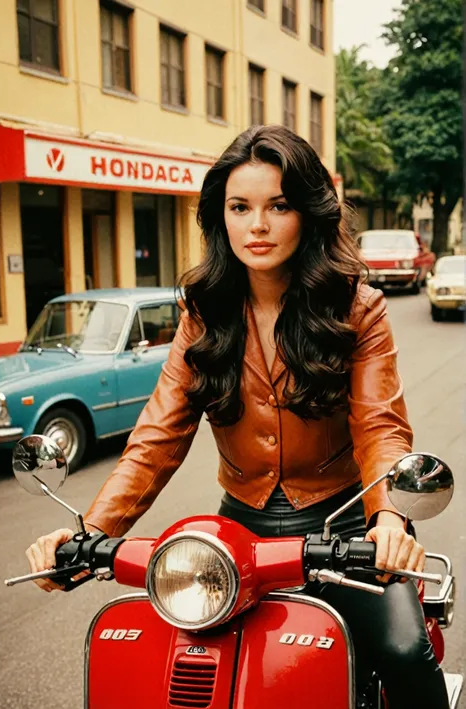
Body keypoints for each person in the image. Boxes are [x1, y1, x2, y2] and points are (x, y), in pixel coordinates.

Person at [25, 125, 448, 708]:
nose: (258, 225)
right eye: (240, 206)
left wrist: (391, 523)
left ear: (308, 213)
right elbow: (157, 436)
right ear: (219, 217)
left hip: (349, 523)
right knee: (192, 662)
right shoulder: (203, 311)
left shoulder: (358, 308)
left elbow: (380, 427)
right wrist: (90, 533)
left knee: (402, 651)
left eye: (279, 206)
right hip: (239, 531)